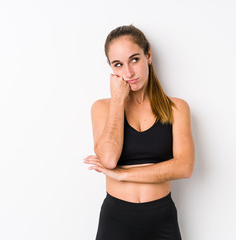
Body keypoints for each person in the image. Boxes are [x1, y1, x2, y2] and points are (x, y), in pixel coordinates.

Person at [84, 25, 195, 240]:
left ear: (148, 56)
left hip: (162, 219)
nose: (128, 73)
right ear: (112, 69)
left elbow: (184, 167)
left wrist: (123, 174)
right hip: (116, 219)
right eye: (118, 65)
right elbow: (108, 159)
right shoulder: (102, 107)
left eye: (134, 59)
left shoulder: (177, 107)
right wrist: (117, 101)